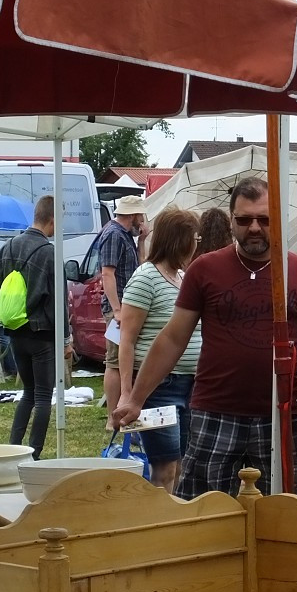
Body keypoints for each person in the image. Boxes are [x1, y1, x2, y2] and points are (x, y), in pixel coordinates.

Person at [112, 177, 297, 499]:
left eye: (264, 220)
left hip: (280, 413)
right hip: (215, 410)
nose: (254, 228)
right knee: (203, 515)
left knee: (285, 517)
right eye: (244, 220)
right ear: (231, 220)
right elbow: (172, 339)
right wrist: (135, 399)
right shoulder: (205, 269)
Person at [118, 207, 202, 492]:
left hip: (189, 385)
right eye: (194, 238)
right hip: (158, 387)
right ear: (180, 240)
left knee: (181, 464)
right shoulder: (146, 278)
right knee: (165, 467)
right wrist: (128, 394)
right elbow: (126, 340)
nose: (196, 245)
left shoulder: (181, 277)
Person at [0, 195, 71, 460]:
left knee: (27, 391)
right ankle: (33, 453)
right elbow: (59, 301)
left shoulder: (7, 248)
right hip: (42, 334)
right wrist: (65, 338)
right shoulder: (50, 253)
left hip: (15, 330)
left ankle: (13, 447)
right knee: (42, 396)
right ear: (52, 220)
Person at [99, 195, 147, 430]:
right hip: (119, 308)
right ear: (134, 215)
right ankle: (112, 417)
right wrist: (117, 309)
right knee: (115, 361)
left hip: (126, 307)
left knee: (123, 360)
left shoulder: (125, 235)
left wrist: (143, 241)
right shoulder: (114, 234)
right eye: (141, 215)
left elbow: (139, 267)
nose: (143, 220)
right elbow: (107, 273)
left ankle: (120, 415)